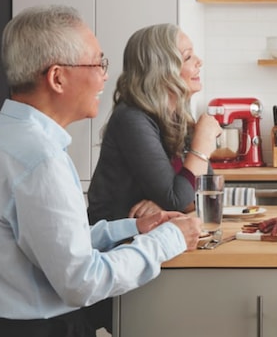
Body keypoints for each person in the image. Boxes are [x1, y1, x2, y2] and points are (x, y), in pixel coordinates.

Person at [0, 5, 205, 337]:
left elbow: (44, 243)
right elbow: (82, 282)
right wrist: (168, 239)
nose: (105, 77)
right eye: (98, 63)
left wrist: (132, 229)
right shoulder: (41, 158)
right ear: (57, 78)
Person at [87, 23, 222, 222]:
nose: (199, 62)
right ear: (161, 70)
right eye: (187, 57)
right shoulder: (132, 119)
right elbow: (179, 197)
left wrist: (165, 202)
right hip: (116, 244)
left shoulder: (177, 116)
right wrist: (202, 144)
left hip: (154, 238)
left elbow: (207, 191)